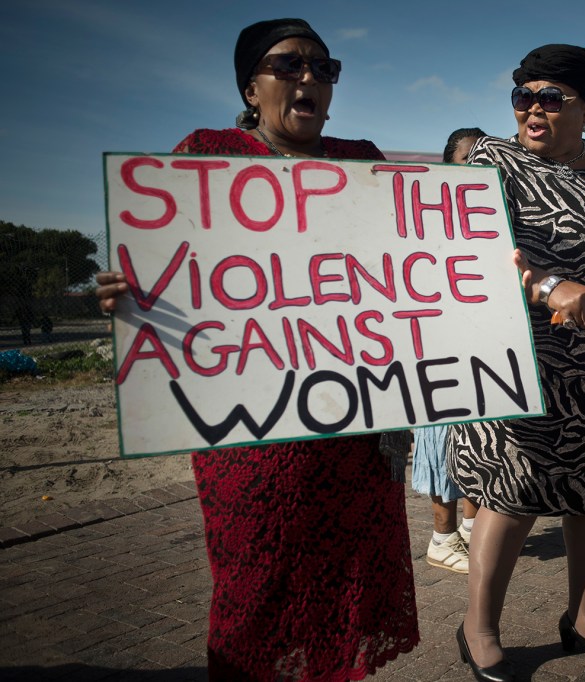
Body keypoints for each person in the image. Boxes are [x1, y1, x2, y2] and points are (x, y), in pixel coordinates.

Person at [94, 19, 419, 679]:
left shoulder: (361, 159)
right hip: (254, 436)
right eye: (288, 64)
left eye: (324, 68)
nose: (308, 78)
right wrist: (129, 293)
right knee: (257, 590)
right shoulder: (207, 152)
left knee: (344, 587)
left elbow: (406, 267)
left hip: (356, 426)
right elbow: (173, 266)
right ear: (251, 85)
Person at [446, 44, 585, 680]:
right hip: (519, 361)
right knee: (513, 495)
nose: (533, 110)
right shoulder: (489, 161)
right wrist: (546, 284)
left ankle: (584, 615)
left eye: (551, 99)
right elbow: (470, 254)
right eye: (523, 97)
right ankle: (479, 627)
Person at [414, 126, 487, 574]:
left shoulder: (497, 213)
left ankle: (469, 530)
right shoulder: (425, 215)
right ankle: (441, 538)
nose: (479, 167)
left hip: (482, 347)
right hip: (438, 344)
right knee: (442, 438)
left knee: (481, 439)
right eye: (469, 159)